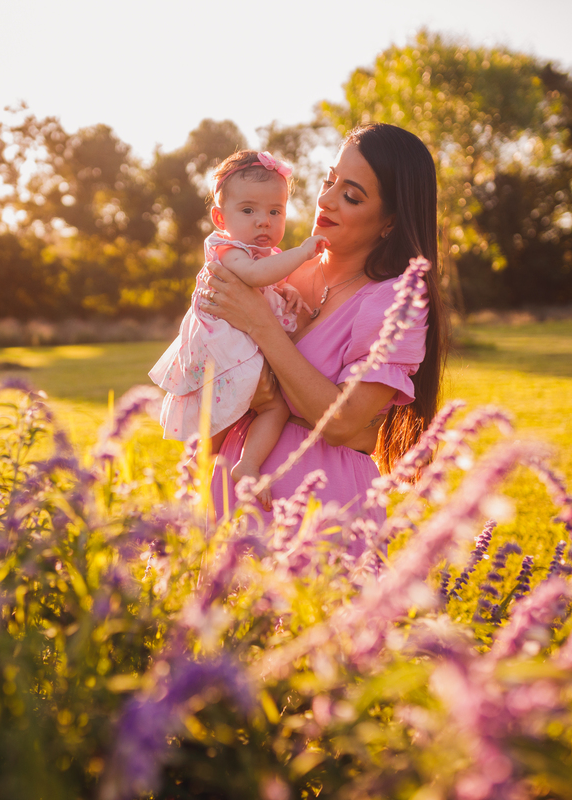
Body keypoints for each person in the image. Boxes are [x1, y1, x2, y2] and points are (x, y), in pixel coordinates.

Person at [201, 123, 447, 523]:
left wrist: (262, 327)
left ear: (390, 221)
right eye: (328, 181)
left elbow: (343, 422)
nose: (326, 200)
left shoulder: (396, 301)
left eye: (350, 196)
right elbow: (205, 397)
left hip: (322, 512)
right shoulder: (278, 274)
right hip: (230, 490)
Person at [149, 150, 329, 509]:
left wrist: (287, 289)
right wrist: (304, 252)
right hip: (226, 353)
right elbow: (255, 277)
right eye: (248, 211)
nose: (263, 221)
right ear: (221, 217)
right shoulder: (227, 248)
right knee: (256, 409)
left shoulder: (264, 255)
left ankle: (243, 464)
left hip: (241, 350)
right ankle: (212, 469)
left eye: (274, 211)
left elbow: (267, 281)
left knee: (269, 408)